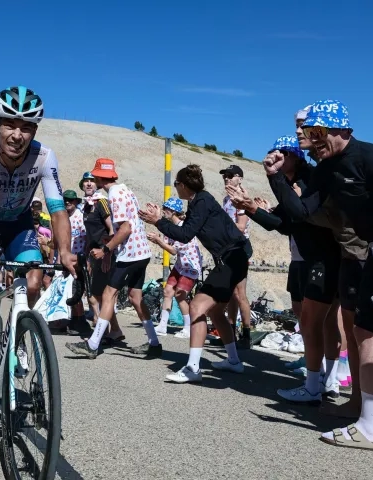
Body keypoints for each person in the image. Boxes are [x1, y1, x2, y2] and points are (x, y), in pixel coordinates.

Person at [263, 100, 373, 449]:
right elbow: (301, 212)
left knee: (370, 330)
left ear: (343, 130)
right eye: (309, 133)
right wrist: (275, 178)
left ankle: (372, 425)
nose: (313, 140)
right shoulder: (325, 169)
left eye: (319, 132)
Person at [0, 86, 76, 423]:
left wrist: (65, 250)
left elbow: (57, 211)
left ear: (34, 131)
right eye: (10, 125)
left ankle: (20, 332)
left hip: (21, 226)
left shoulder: (44, 157)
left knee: (35, 280)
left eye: (25, 127)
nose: (17, 134)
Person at [229, 134, 343, 403]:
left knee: (315, 323)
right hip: (306, 259)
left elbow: (296, 216)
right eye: (274, 152)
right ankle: (327, 380)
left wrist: (263, 194)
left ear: (295, 156)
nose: (276, 157)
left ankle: (318, 385)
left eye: (283, 153)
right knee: (317, 322)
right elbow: (281, 223)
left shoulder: (306, 181)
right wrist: (252, 209)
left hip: (321, 258)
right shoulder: (291, 182)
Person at [139, 164, 249, 384]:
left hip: (231, 258)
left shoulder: (201, 201)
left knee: (197, 307)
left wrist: (157, 221)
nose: (175, 188)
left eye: (176, 184)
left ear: (184, 185)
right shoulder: (200, 201)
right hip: (233, 258)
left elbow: (185, 235)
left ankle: (192, 368)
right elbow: (183, 229)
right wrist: (162, 219)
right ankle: (234, 361)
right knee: (216, 312)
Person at [66, 158, 157, 359]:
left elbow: (125, 228)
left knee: (107, 295)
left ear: (99, 177)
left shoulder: (114, 195)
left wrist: (105, 250)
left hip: (129, 254)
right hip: (142, 252)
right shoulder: (126, 190)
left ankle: (92, 344)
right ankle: (154, 342)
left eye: (94, 176)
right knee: (135, 297)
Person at [147, 197, 202, 339]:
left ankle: (189, 328)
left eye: (166, 209)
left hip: (190, 266)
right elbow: (168, 245)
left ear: (173, 211)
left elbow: (173, 250)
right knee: (167, 291)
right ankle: (163, 325)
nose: (164, 211)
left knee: (180, 295)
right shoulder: (168, 227)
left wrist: (158, 241)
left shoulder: (184, 227)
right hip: (180, 265)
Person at [219, 165, 254, 348]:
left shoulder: (242, 198)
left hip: (240, 247)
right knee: (231, 293)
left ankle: (246, 335)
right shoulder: (226, 198)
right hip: (229, 247)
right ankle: (230, 332)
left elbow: (241, 226)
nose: (226, 178)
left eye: (230, 175)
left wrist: (219, 229)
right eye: (225, 175)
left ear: (239, 178)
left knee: (240, 294)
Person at [76, 171, 111, 334]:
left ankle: (105, 327)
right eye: (86, 181)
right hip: (93, 252)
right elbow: (91, 233)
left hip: (104, 251)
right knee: (92, 288)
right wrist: (88, 252)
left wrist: (107, 253)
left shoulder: (101, 202)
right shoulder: (86, 206)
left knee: (100, 290)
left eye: (92, 181)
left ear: (97, 184)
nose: (89, 184)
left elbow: (111, 229)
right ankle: (101, 322)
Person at [64, 190, 87, 327]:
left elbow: (86, 238)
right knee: (68, 289)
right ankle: (72, 318)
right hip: (66, 258)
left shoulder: (80, 217)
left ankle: (80, 319)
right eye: (65, 199)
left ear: (76, 202)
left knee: (76, 289)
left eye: (71, 200)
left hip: (78, 257)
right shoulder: (63, 217)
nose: (67, 202)